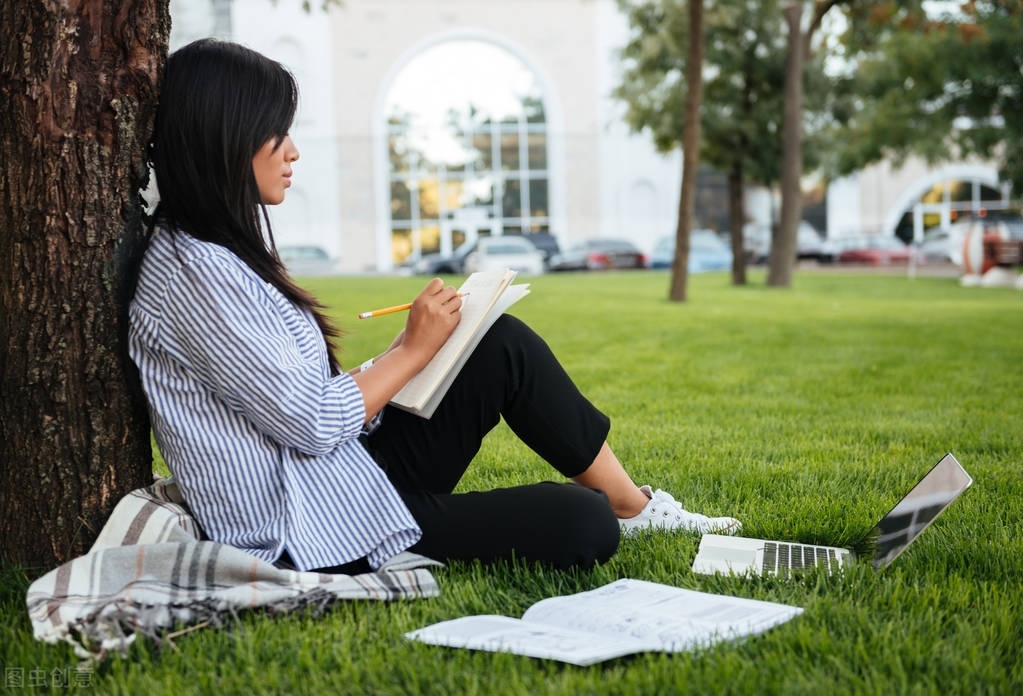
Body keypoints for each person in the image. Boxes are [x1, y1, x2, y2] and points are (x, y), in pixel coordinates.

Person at [128, 38, 740, 575]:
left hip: (344, 476)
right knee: (582, 524)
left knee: (499, 344)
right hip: (312, 526)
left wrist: (407, 351)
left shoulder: (219, 250)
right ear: (225, 136)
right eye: (277, 132)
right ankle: (612, 512)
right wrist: (414, 351)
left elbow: (294, 398)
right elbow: (309, 422)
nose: (293, 152)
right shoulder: (193, 271)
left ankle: (636, 505)